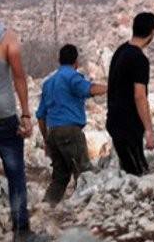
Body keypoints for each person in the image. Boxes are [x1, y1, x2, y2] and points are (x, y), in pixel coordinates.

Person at [0, 0, 49, 242]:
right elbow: (19, 77)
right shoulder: (8, 37)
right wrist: (25, 114)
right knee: (16, 174)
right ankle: (21, 232)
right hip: (4, 114)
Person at [36, 44, 106, 206]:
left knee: (60, 177)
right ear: (76, 62)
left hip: (53, 133)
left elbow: (40, 116)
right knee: (83, 173)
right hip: (71, 132)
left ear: (59, 60)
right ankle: (84, 209)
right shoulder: (73, 77)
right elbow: (91, 89)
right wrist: (113, 87)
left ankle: (46, 207)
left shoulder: (48, 83)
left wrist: (47, 140)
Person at [106, 12, 154, 176]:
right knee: (138, 175)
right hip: (128, 127)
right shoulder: (139, 59)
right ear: (151, 32)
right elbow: (139, 96)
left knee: (134, 172)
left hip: (115, 121)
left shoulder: (120, 51)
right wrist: (149, 130)